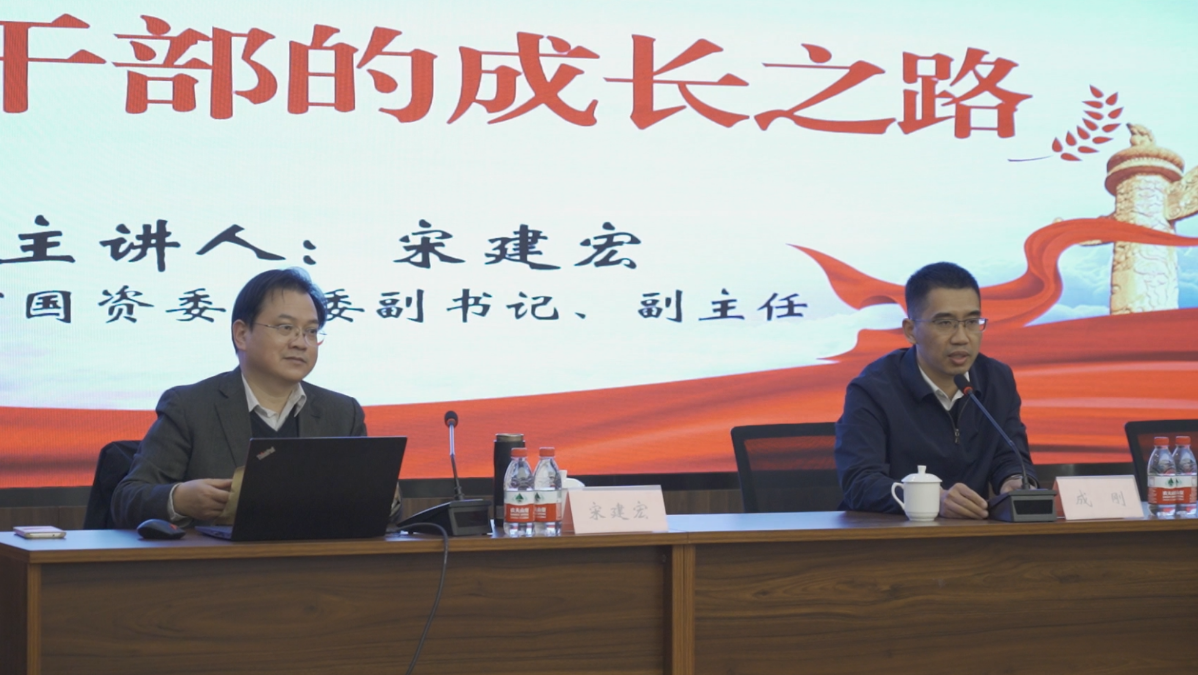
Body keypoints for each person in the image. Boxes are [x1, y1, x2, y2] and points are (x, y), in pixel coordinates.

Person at [111, 268, 366, 528]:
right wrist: (179, 500)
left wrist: (380, 498)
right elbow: (127, 498)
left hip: (317, 554)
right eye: (286, 327)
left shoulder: (343, 413)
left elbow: (376, 504)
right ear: (242, 334)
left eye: (311, 331)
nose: (301, 343)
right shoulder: (190, 407)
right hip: (219, 555)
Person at [834, 262, 1036, 518]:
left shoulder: (996, 379)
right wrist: (931, 499)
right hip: (891, 535)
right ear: (911, 331)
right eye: (945, 323)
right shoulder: (873, 389)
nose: (962, 337)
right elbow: (860, 482)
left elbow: (1010, 456)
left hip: (971, 533)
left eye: (972, 322)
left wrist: (1015, 481)